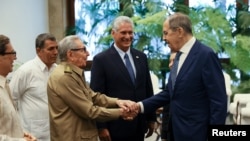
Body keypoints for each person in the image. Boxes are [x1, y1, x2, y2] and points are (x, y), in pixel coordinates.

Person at [132, 12, 228, 141]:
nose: (163, 38)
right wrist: (139, 106)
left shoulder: (206, 55)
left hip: (197, 133)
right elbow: (169, 93)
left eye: (166, 33)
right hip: (175, 132)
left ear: (179, 31)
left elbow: (218, 101)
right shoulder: (178, 56)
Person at [47, 35, 137, 141]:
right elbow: (89, 111)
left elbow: (93, 97)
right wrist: (121, 112)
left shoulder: (73, 73)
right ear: (70, 54)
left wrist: (118, 102)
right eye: (83, 50)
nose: (88, 54)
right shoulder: (64, 77)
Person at [90, 15, 156, 141]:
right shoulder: (101, 60)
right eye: (123, 32)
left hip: (139, 124)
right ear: (113, 33)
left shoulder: (141, 57)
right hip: (115, 126)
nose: (127, 36)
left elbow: (148, 89)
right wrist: (101, 127)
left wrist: (151, 118)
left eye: (130, 32)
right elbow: (97, 95)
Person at [9, 33, 58, 141]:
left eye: (56, 48)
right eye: (51, 49)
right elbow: (10, 100)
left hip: (56, 133)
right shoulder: (26, 71)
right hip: (33, 135)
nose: (55, 52)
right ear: (38, 51)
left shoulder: (57, 70)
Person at [0, 34, 37, 141]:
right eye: (12, 53)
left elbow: (6, 125)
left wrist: (21, 134)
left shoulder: (4, 84)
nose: (15, 58)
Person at [160, 52, 176, 141]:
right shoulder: (169, 84)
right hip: (171, 132)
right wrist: (164, 135)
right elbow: (166, 111)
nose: (170, 65)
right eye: (170, 61)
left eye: (174, 61)